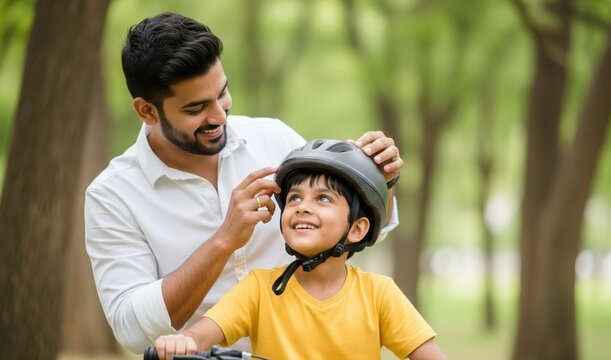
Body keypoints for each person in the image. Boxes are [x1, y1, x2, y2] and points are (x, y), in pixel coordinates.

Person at [84, 12, 403, 353]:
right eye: (197, 108)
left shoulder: (273, 139)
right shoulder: (112, 196)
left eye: (222, 93)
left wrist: (380, 180)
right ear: (147, 111)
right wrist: (223, 241)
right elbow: (132, 330)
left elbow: (352, 229)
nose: (220, 116)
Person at [153, 139, 446, 360]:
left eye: (323, 199)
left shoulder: (378, 294)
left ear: (357, 228)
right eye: (294, 198)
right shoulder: (259, 289)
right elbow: (200, 335)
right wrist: (183, 341)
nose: (302, 207)